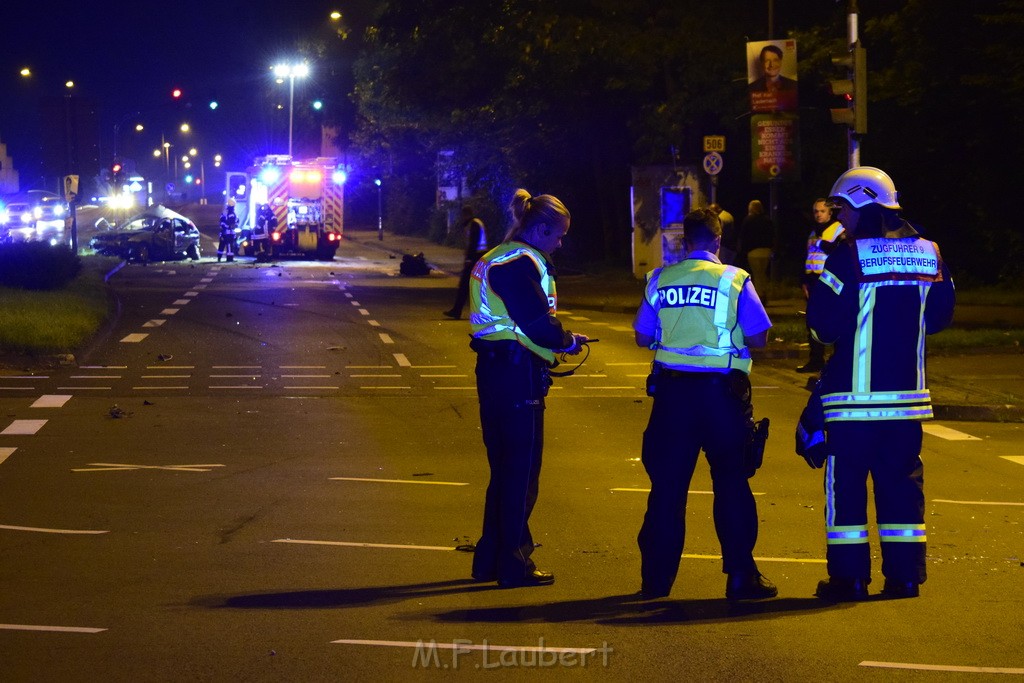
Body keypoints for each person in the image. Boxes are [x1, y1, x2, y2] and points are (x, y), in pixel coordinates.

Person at [807, 167, 955, 601]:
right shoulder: (930, 252)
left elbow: (822, 328)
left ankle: (849, 579)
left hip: (852, 404)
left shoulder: (847, 255)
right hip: (906, 403)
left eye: (841, 209)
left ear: (862, 203)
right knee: (902, 490)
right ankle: (905, 578)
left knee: (847, 493)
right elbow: (941, 318)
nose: (839, 219)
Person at [633, 208, 777, 601]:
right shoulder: (733, 279)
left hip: (673, 398)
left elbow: (643, 338)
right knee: (731, 485)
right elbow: (760, 336)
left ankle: (655, 581)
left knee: (667, 490)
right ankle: (740, 577)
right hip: (721, 399)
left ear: (685, 241)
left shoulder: (661, 278)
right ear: (717, 241)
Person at [468, 189, 589, 588]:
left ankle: (490, 559)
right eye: (557, 235)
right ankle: (514, 563)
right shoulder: (519, 263)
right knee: (521, 475)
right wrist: (569, 341)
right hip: (516, 375)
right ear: (539, 229)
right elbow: (536, 323)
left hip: (495, 371)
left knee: (504, 471)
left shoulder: (495, 257)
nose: (560, 243)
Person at [798, 198, 845, 373]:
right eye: (816, 211)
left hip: (829, 282)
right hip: (812, 281)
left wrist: (820, 243)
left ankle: (838, 360)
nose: (818, 214)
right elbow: (808, 257)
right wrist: (803, 281)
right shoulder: (813, 231)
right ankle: (816, 360)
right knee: (813, 321)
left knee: (834, 319)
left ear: (830, 212)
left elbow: (838, 251)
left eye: (822, 211)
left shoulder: (838, 229)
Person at [443, 205, 489, 320]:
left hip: (476, 257)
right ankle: (458, 310)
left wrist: (469, 259)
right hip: (479, 257)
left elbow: (473, 243)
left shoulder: (474, 224)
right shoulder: (474, 223)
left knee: (465, 285)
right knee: (473, 286)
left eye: (463, 215)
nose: (462, 218)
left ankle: (457, 311)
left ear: (466, 214)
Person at [737, 199, 774, 303]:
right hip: (766, 251)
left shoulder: (748, 220)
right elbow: (772, 235)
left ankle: (759, 297)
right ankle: (764, 293)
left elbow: (743, 236)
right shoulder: (767, 220)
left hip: (753, 251)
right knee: (763, 274)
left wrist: (742, 250)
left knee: (757, 274)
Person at [747, 44, 798, 113]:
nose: (771, 65)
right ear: (762, 63)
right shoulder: (752, 87)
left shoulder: (793, 84)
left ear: (780, 62)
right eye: (767, 60)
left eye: (775, 60)